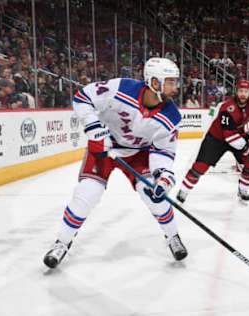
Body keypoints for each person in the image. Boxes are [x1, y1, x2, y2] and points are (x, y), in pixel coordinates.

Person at [43, 58, 188, 269]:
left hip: (139, 154)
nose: (175, 87)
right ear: (154, 82)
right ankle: (62, 242)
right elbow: (83, 97)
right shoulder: (122, 88)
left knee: (155, 198)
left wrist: (163, 176)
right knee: (87, 193)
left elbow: (163, 150)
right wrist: (95, 129)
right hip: (104, 146)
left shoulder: (172, 115)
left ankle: (172, 236)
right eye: (170, 82)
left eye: (175, 81)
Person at [176, 80, 249, 203]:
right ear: (236, 91)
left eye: (246, 91)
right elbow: (230, 137)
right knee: (200, 166)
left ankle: (243, 190)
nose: (243, 94)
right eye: (240, 91)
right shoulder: (227, 108)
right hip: (216, 139)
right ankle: (183, 191)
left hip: (238, 135)